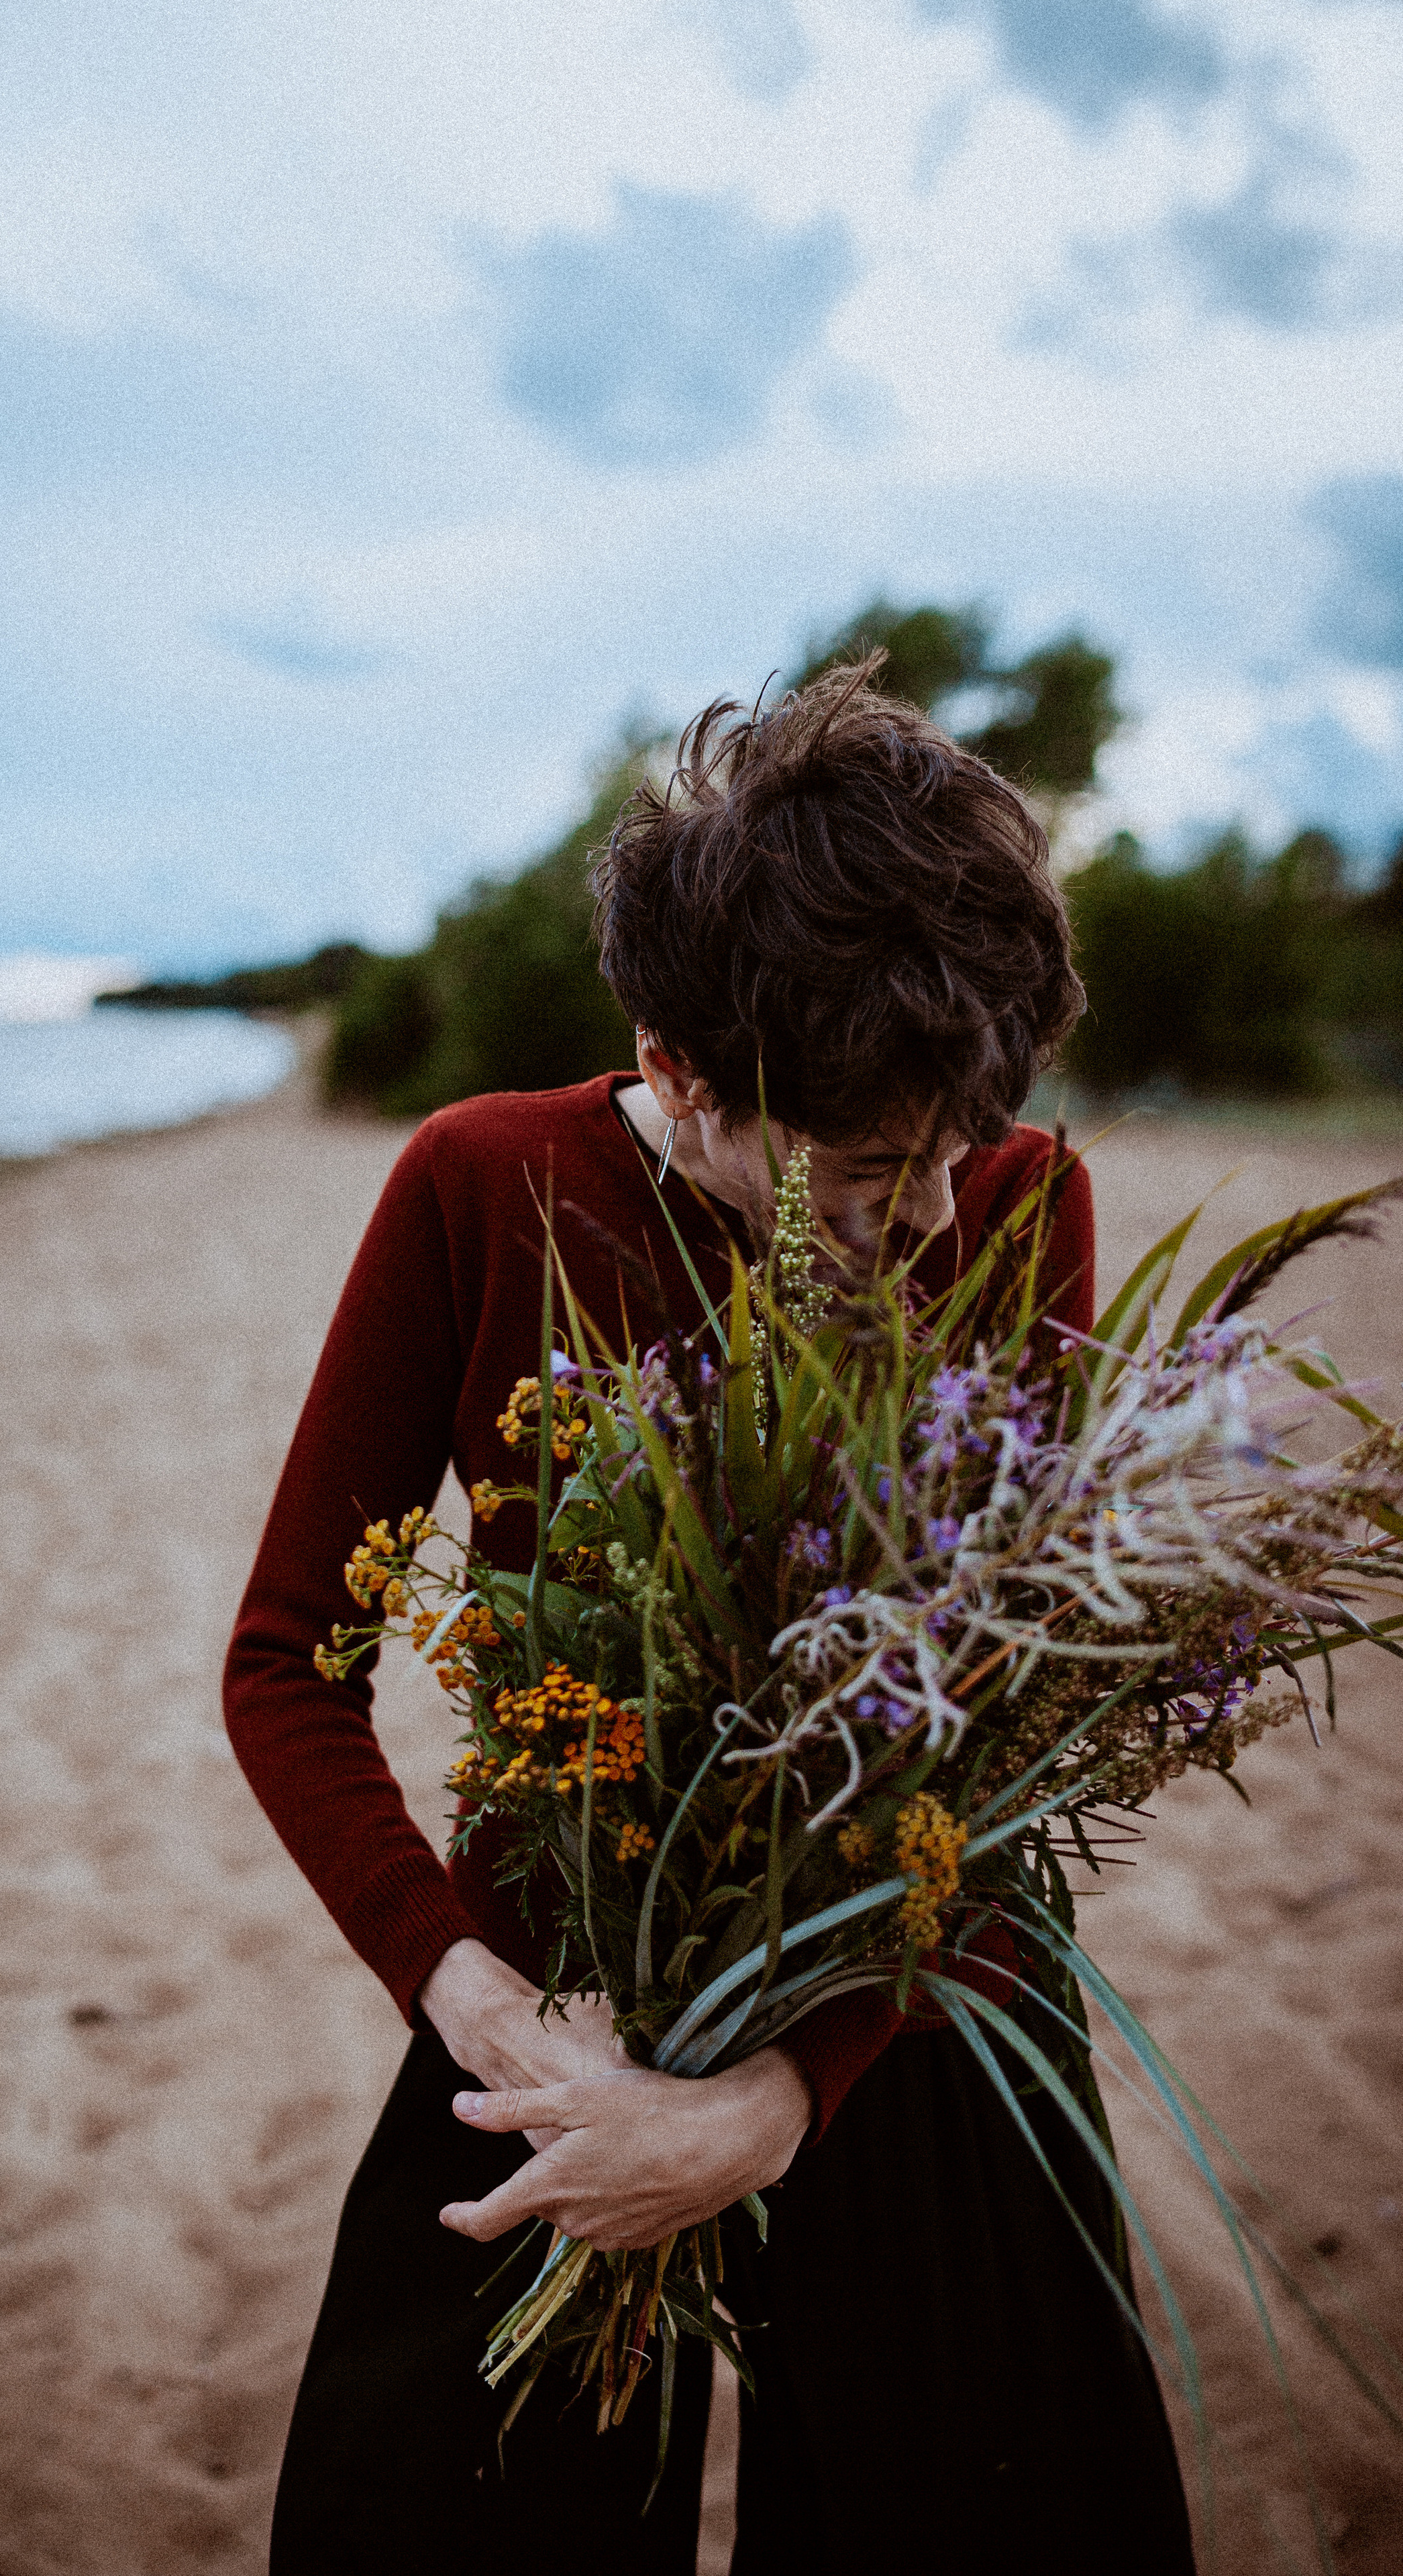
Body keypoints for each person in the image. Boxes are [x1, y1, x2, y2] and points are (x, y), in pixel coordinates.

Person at [225, 665, 1196, 2574]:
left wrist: (770, 2106)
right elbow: (287, 1668)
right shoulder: (478, 1184)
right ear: (677, 1067)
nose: (930, 1215)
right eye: (862, 1171)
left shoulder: (1021, 1197)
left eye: (954, 1147)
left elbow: (1006, 1736)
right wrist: (487, 2010)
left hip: (924, 1997)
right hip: (549, 2012)